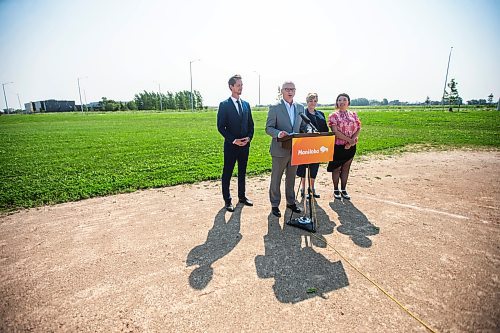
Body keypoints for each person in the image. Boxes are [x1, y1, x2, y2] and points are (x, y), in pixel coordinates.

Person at [265, 81, 308, 217]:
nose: (290, 91)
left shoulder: (300, 107)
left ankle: (291, 202)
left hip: (295, 149)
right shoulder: (275, 107)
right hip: (279, 149)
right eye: (287, 89)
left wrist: (307, 131)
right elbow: (268, 128)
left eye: (292, 89)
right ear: (282, 91)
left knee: (291, 178)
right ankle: (275, 204)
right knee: (276, 178)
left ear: (295, 91)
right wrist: (278, 133)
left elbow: (303, 126)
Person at [217, 74, 254, 212]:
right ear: (231, 87)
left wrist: (249, 138)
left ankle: (242, 197)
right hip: (231, 146)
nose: (241, 87)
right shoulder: (224, 105)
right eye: (238, 85)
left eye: (242, 85)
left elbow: (251, 125)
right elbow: (221, 127)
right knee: (227, 172)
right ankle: (228, 201)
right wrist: (234, 140)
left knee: (242, 172)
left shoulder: (246, 105)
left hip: (245, 146)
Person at [327, 93, 361, 200]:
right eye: (339, 100)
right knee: (336, 169)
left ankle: (344, 189)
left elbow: (358, 128)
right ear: (337, 102)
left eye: (344, 100)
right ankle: (336, 189)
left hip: (351, 147)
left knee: (346, 168)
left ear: (348, 102)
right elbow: (335, 132)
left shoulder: (353, 114)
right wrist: (349, 140)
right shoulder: (333, 116)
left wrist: (351, 143)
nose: (342, 102)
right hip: (338, 147)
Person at [296, 93, 329, 199]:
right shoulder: (302, 113)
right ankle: (303, 189)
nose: (313, 103)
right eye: (311, 101)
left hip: (317, 145)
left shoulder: (320, 114)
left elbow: (325, 129)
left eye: (315, 101)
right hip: (305, 145)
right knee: (303, 167)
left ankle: (312, 188)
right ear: (307, 101)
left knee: (314, 167)